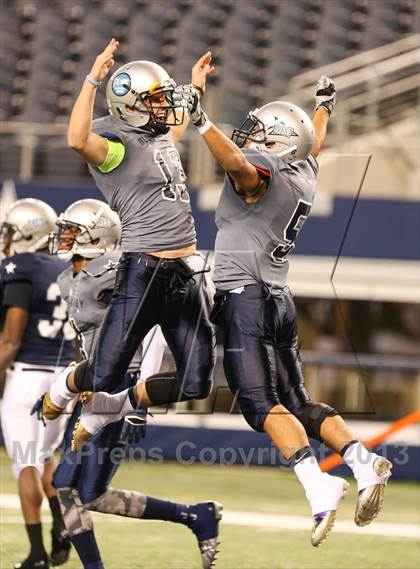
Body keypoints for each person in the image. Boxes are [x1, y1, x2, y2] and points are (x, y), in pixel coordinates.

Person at [178, 72, 392, 545]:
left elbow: (239, 166)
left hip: (244, 296)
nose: (250, 136)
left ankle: (319, 485)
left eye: (258, 131)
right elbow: (312, 145)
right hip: (279, 299)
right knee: (295, 402)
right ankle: (359, 461)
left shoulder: (263, 172)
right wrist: (325, 107)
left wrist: (201, 120)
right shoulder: (305, 172)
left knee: (258, 403)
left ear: (275, 140)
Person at [42, 39, 216, 447]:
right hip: (145, 271)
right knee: (103, 373)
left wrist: (195, 87)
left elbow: (174, 129)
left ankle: (118, 407)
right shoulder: (115, 148)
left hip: (185, 273)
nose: (164, 106)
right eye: (155, 99)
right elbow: (76, 139)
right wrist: (91, 79)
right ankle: (64, 387)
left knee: (196, 382)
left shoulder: (156, 137)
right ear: (131, 105)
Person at [43, 198, 221, 569]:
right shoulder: (68, 277)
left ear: (97, 236)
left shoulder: (117, 268)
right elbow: (86, 337)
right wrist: (80, 379)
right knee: (87, 494)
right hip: (94, 382)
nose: (64, 237)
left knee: (66, 486)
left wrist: (138, 397)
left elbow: (156, 324)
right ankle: (195, 516)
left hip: (121, 381)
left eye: (73, 231)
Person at [0, 199, 74, 569]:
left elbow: (11, 340)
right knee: (45, 459)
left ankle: (36, 553)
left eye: (11, 230)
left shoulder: (19, 268)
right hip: (61, 382)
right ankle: (62, 529)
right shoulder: (66, 267)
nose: (6, 238)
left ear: (28, 233)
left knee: (25, 464)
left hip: (26, 376)